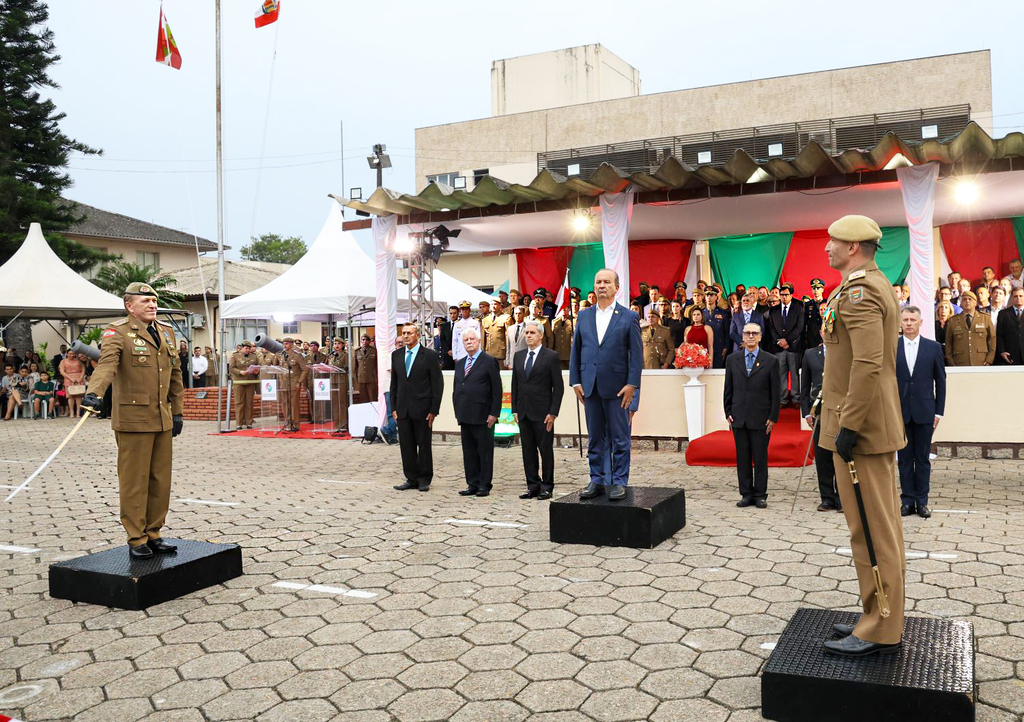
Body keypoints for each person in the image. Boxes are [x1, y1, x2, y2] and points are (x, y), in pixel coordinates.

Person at [819, 215, 906, 657]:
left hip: (863, 428)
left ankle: (881, 626)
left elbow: (868, 364)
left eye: (833, 241)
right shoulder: (863, 285)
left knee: (874, 531)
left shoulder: (860, 292)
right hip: (860, 423)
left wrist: (848, 425)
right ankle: (874, 610)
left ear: (853, 246)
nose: (827, 248)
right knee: (868, 528)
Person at [80, 282, 184, 559]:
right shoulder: (118, 332)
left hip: (161, 417)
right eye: (145, 301)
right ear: (129, 306)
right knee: (134, 480)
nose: (152, 305)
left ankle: (154, 532)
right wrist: (94, 394)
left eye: (154, 300)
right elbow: (107, 364)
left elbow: (175, 375)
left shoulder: (166, 332)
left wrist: (177, 411)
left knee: (160, 479)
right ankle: (136, 537)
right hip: (133, 418)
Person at [569, 268, 643, 501]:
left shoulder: (628, 317)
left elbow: (636, 355)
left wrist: (632, 384)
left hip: (618, 388)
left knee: (620, 438)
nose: (602, 285)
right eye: (598, 281)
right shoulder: (584, 316)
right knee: (595, 437)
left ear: (616, 287)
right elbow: (577, 350)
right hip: (589, 387)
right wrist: (575, 381)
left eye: (607, 282)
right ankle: (597, 480)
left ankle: (619, 481)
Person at [896, 306, 946, 520]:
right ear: (900, 322)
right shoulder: (892, 346)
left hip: (926, 412)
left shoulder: (933, 347)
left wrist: (939, 412)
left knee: (922, 458)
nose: (908, 323)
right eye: (905, 319)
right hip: (900, 412)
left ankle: (922, 502)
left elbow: (941, 381)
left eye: (912, 320)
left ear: (920, 322)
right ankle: (907, 501)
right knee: (905, 459)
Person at [724, 323, 780, 509]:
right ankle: (746, 494)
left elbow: (775, 392)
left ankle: (760, 494)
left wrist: (773, 416)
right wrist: (728, 412)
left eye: (754, 333)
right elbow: (728, 388)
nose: (750, 336)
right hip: (739, 416)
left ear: (760, 337)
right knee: (743, 457)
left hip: (761, 417)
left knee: (760, 457)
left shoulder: (771, 360)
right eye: (747, 333)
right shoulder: (732, 359)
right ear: (742, 336)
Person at [512, 320, 564, 500]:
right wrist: (515, 409)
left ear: (541, 335)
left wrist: (553, 412)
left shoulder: (550, 357)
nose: (528, 336)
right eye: (526, 333)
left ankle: (547, 486)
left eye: (532, 333)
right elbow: (515, 384)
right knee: (527, 450)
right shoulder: (519, 356)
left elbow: (558, 387)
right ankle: (532, 485)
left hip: (543, 413)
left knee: (545, 450)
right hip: (524, 412)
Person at [391, 324, 443, 492]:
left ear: (418, 335)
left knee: (424, 444)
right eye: (403, 333)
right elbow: (394, 384)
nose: (405, 336)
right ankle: (411, 477)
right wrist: (394, 407)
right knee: (406, 445)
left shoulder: (429, 355)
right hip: (403, 408)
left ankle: (424, 478)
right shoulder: (397, 355)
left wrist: (434, 409)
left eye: (409, 333)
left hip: (423, 408)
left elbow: (437, 384)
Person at [452, 328, 501, 497]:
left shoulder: (489, 361)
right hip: (465, 414)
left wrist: (494, 413)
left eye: (472, 339)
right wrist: (457, 409)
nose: (469, 342)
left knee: (484, 452)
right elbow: (457, 387)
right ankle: (472, 483)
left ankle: (484, 484)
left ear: (479, 341)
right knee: (469, 451)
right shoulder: (460, 363)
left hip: (483, 415)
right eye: (466, 340)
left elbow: (497, 389)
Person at [801, 328, 839, 512]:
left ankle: (841, 498)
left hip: (839, 411)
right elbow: (804, 385)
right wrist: (806, 412)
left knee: (840, 454)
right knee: (822, 456)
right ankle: (827, 498)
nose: (828, 334)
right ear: (821, 333)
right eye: (825, 331)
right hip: (819, 412)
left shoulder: (844, 352)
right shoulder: (810, 354)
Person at [768, 283, 805, 407]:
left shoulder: (798, 308)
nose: (784, 297)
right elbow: (771, 328)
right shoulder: (773, 310)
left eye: (786, 295)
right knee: (781, 374)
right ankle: (783, 399)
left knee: (794, 374)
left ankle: (796, 399)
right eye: (782, 295)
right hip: (778, 347)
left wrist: (788, 341)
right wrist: (779, 341)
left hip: (793, 347)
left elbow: (799, 328)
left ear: (791, 295)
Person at [944, 291, 995, 367]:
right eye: (964, 299)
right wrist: (951, 362)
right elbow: (948, 343)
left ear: (975, 303)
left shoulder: (985, 318)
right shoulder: (953, 321)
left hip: (981, 361)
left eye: (970, 299)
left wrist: (989, 360)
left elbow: (992, 339)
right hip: (960, 362)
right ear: (961, 303)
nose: (967, 301)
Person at [277, 337, 309, 432]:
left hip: (294, 383)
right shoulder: (282, 355)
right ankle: (287, 422)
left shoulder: (297, 356)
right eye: (283, 343)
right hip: (284, 383)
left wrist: (299, 382)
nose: (284, 345)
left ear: (291, 344)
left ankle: (295, 424)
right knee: (285, 404)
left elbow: (305, 369)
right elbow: (280, 369)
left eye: (286, 343)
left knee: (294, 404)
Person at [229, 341, 259, 429]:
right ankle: (239, 423)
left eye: (249, 348)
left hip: (250, 381)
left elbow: (257, 366)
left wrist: (256, 371)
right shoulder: (235, 356)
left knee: (249, 402)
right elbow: (231, 368)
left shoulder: (254, 356)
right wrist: (240, 372)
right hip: (239, 381)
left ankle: (249, 422)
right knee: (239, 402)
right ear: (241, 348)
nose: (247, 350)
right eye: (246, 348)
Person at [327, 337, 350, 432]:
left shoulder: (345, 355)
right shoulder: (331, 356)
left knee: (342, 403)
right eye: (335, 343)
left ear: (342, 345)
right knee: (335, 404)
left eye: (338, 344)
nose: (336, 345)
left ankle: (343, 424)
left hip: (342, 381)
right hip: (333, 381)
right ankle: (336, 425)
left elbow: (348, 368)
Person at [996, 287, 1024, 365]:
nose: (1018, 298)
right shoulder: (1003, 314)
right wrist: (1002, 351)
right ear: (1011, 298)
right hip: (1010, 355)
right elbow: (999, 335)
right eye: (1015, 296)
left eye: (1021, 296)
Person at [59, 350, 87, 418]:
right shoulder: (63, 361)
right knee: (70, 396)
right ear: (67, 354)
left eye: (73, 354)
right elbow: (62, 371)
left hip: (78, 378)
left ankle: (78, 412)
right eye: (70, 354)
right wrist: (70, 378)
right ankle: (71, 412)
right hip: (68, 378)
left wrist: (80, 377)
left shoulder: (78, 360)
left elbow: (83, 369)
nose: (71, 355)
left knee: (78, 396)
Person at [353, 334, 378, 404]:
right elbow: (355, 367)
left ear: (369, 341)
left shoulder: (374, 351)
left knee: (372, 397)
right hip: (361, 378)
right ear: (361, 341)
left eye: (366, 340)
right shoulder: (357, 351)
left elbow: (376, 365)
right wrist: (355, 380)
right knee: (363, 399)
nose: (365, 341)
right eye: (363, 340)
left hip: (371, 378)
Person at [551, 305, 574, 370]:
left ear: (569, 309)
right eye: (562, 308)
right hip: (558, 352)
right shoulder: (555, 322)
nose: (563, 309)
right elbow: (552, 337)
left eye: (565, 307)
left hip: (569, 353)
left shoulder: (573, 321)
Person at [505, 305, 529, 370]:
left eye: (520, 313)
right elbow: (508, 346)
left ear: (524, 314)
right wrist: (507, 362)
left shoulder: (528, 328)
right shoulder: (510, 329)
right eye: (516, 313)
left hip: (524, 361)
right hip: (512, 362)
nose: (517, 315)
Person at [438, 306, 457, 370]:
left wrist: (455, 351)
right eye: (451, 313)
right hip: (447, 356)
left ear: (458, 313)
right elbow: (442, 340)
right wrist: (448, 350)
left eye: (454, 313)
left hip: (458, 354)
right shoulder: (445, 326)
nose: (452, 315)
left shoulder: (461, 324)